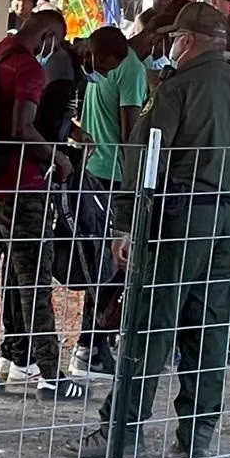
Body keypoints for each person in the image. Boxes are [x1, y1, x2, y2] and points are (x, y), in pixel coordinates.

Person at [80, 3, 230, 458]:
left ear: (186, 41)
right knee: (209, 328)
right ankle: (197, 436)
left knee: (151, 321)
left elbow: (146, 156)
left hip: (181, 214)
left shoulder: (177, 88)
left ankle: (122, 429)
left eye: (174, 39)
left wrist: (128, 222)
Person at [0, 11, 84, 398]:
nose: (55, 50)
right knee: (34, 281)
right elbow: (23, 127)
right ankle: (48, 372)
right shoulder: (29, 69)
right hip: (24, 187)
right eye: (56, 41)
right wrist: (59, 158)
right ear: (46, 35)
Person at [69, 25, 147, 376]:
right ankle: (92, 343)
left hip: (94, 167)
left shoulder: (112, 70)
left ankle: (94, 341)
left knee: (103, 261)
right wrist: (138, 179)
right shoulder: (127, 70)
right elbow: (130, 130)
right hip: (113, 175)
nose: (96, 65)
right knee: (113, 263)